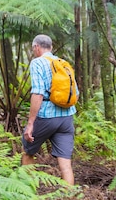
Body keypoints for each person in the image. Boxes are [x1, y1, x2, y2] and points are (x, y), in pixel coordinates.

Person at [21, 34, 77, 185]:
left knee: (28, 152)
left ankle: (27, 193)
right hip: (66, 117)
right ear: (51, 48)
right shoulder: (63, 63)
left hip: (46, 116)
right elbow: (75, 92)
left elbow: (38, 93)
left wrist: (31, 123)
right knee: (65, 164)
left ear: (36, 47)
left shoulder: (37, 63)